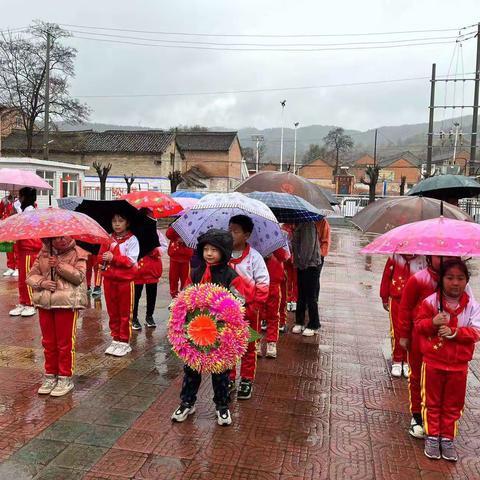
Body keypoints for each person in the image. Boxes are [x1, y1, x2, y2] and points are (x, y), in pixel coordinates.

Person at [172, 229, 245, 426]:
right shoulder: (195, 273)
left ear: (224, 251)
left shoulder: (231, 276)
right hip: (196, 331)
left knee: (220, 372)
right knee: (191, 369)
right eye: (206, 249)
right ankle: (187, 402)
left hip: (220, 334)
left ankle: (222, 406)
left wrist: (226, 307)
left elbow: (240, 300)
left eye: (214, 249)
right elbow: (185, 295)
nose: (209, 253)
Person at [415, 259, 480, 461]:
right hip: (433, 362)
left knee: (454, 403)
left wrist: (455, 332)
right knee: (432, 401)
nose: (455, 283)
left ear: (467, 281)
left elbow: (477, 331)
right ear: (441, 280)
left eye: (460, 278)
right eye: (450, 277)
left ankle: (448, 437)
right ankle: (433, 435)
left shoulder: (472, 306)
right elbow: (419, 326)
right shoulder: (431, 302)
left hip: (459, 366)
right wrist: (432, 322)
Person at [398, 255, 456, 439]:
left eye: (451, 256)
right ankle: (417, 416)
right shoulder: (419, 279)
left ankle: (438, 420)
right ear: (430, 256)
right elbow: (405, 307)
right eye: (442, 256)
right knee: (417, 376)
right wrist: (404, 335)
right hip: (419, 338)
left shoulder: (457, 281)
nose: (447, 259)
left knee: (440, 381)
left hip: (445, 342)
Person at [26, 236, 88, 396]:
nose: (62, 240)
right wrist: (41, 283)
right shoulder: (43, 253)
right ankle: (50, 376)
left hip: (66, 303)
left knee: (64, 343)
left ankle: (65, 377)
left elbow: (79, 277)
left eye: (65, 236)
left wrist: (59, 265)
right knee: (48, 342)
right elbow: (31, 276)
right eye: (57, 238)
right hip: (45, 302)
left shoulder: (78, 253)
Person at [228, 215, 269, 400]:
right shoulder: (223, 253)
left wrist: (255, 305)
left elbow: (263, 283)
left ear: (247, 235)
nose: (231, 234)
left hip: (249, 311)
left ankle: (246, 379)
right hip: (227, 311)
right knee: (228, 344)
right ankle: (228, 377)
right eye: (229, 230)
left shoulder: (255, 257)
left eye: (235, 231)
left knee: (248, 345)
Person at [99, 212, 139, 357]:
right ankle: (115, 339)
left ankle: (124, 341)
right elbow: (100, 256)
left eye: (120, 221)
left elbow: (130, 260)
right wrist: (103, 258)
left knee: (124, 312)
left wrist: (114, 258)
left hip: (125, 282)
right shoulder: (108, 239)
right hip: (109, 280)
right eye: (114, 221)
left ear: (127, 223)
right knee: (112, 311)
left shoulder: (132, 240)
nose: (116, 224)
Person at [380, 254, 426, 378]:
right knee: (397, 330)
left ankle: (407, 361)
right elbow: (386, 276)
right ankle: (397, 359)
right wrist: (384, 296)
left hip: (415, 301)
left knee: (412, 331)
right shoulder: (394, 257)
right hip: (396, 299)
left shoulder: (423, 258)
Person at [291, 219, 329, 337]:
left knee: (310, 294)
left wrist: (305, 262)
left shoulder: (310, 224)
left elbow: (310, 245)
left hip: (311, 263)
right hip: (302, 262)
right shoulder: (299, 223)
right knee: (301, 293)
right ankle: (300, 321)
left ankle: (314, 324)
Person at [9, 187, 42, 317]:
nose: (19, 199)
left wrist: (19, 216)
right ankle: (23, 301)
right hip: (22, 249)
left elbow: (32, 230)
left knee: (28, 278)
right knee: (22, 278)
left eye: (20, 196)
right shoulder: (24, 211)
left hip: (29, 249)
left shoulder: (31, 212)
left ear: (24, 198)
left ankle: (30, 303)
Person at [132, 208, 163, 330]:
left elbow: (163, 246)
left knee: (151, 295)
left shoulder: (155, 232)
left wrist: (156, 251)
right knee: (136, 295)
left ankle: (149, 316)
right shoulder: (134, 232)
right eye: (150, 216)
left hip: (152, 270)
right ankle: (133, 317)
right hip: (138, 271)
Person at [260, 247, 290, 358]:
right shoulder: (254, 244)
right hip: (259, 284)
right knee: (257, 315)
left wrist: (274, 249)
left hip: (274, 283)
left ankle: (271, 342)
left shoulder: (276, 242)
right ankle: (256, 342)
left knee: (273, 315)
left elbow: (285, 256)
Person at [166, 225, 193, 298]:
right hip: (174, 257)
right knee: (173, 278)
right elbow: (168, 235)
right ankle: (173, 296)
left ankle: (183, 296)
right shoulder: (176, 225)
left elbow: (193, 238)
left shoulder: (191, 226)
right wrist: (175, 225)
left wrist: (184, 240)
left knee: (185, 279)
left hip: (186, 258)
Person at [0, 194, 18, 277]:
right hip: (6, 227)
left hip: (17, 227)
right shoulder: (4, 200)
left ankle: (18, 267)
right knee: (7, 248)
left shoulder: (21, 200)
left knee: (17, 248)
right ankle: (10, 267)